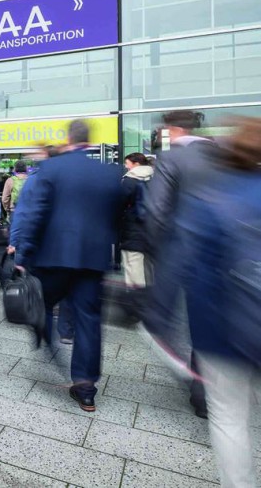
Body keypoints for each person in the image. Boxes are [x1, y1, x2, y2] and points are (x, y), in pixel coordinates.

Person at [159, 118, 261, 488]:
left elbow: (186, 264)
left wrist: (163, 321)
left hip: (227, 332)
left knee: (231, 419)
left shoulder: (213, 197)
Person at [11, 120, 124, 413]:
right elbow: (117, 217)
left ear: (68, 139)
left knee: (41, 304)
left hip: (53, 257)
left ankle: (46, 341)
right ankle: (86, 388)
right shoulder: (109, 173)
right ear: (88, 142)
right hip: (92, 258)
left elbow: (35, 216)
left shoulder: (50, 169)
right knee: (89, 319)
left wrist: (22, 256)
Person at [144, 110, 217, 419]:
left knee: (163, 321)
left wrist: (158, 252)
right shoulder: (227, 154)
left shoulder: (172, 159)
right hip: (225, 257)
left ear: (172, 129)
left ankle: (198, 386)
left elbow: (156, 211)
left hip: (182, 253)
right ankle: (214, 385)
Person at [118, 153, 153, 311]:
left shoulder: (130, 180)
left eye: (128, 163)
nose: (126, 166)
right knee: (147, 266)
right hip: (153, 229)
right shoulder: (157, 177)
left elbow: (119, 204)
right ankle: (149, 297)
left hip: (133, 229)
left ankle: (136, 302)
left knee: (132, 265)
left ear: (136, 163)